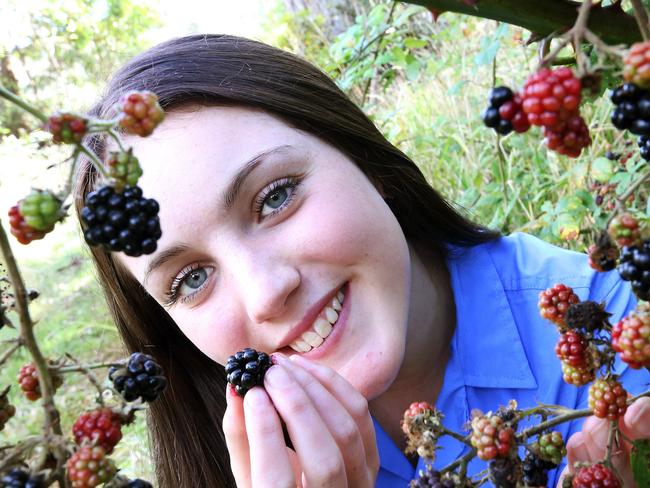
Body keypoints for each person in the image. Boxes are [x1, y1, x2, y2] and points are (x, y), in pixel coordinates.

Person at [75, 34, 650, 487]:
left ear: (365, 158)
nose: (265, 292)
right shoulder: (225, 460)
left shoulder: (615, 332)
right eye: (192, 279)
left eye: (274, 197)